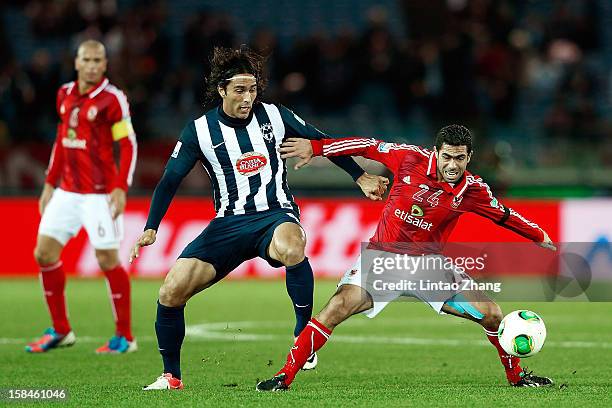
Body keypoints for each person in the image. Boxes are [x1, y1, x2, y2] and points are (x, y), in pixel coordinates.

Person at [130, 46, 389, 390]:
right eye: (239, 90)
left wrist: (359, 176)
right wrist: (151, 227)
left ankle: (303, 337)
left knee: (292, 246)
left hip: (274, 214)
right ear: (221, 90)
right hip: (228, 224)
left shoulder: (275, 115)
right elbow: (169, 180)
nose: (247, 97)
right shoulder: (200, 131)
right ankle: (171, 376)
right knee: (171, 291)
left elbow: (322, 141)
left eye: (252, 90)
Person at [256, 124, 556, 391]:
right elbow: (366, 145)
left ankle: (517, 377)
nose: (453, 164)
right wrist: (318, 148)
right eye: (447, 156)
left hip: (429, 267)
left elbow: (503, 214)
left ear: (469, 157)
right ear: (436, 152)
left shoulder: (471, 189)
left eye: (460, 158)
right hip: (381, 261)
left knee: (491, 313)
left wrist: (538, 235)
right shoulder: (408, 157)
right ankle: (284, 376)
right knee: (334, 309)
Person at [26, 40, 138, 354]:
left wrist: (120, 187)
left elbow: (127, 144)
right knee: (43, 254)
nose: (91, 65)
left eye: (97, 60)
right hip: (66, 191)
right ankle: (61, 331)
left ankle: (125, 337)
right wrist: (50, 183)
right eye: (86, 59)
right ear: (76, 62)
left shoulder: (112, 100)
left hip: (99, 195)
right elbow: (62, 139)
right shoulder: (64, 94)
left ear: (105, 64)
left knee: (107, 260)